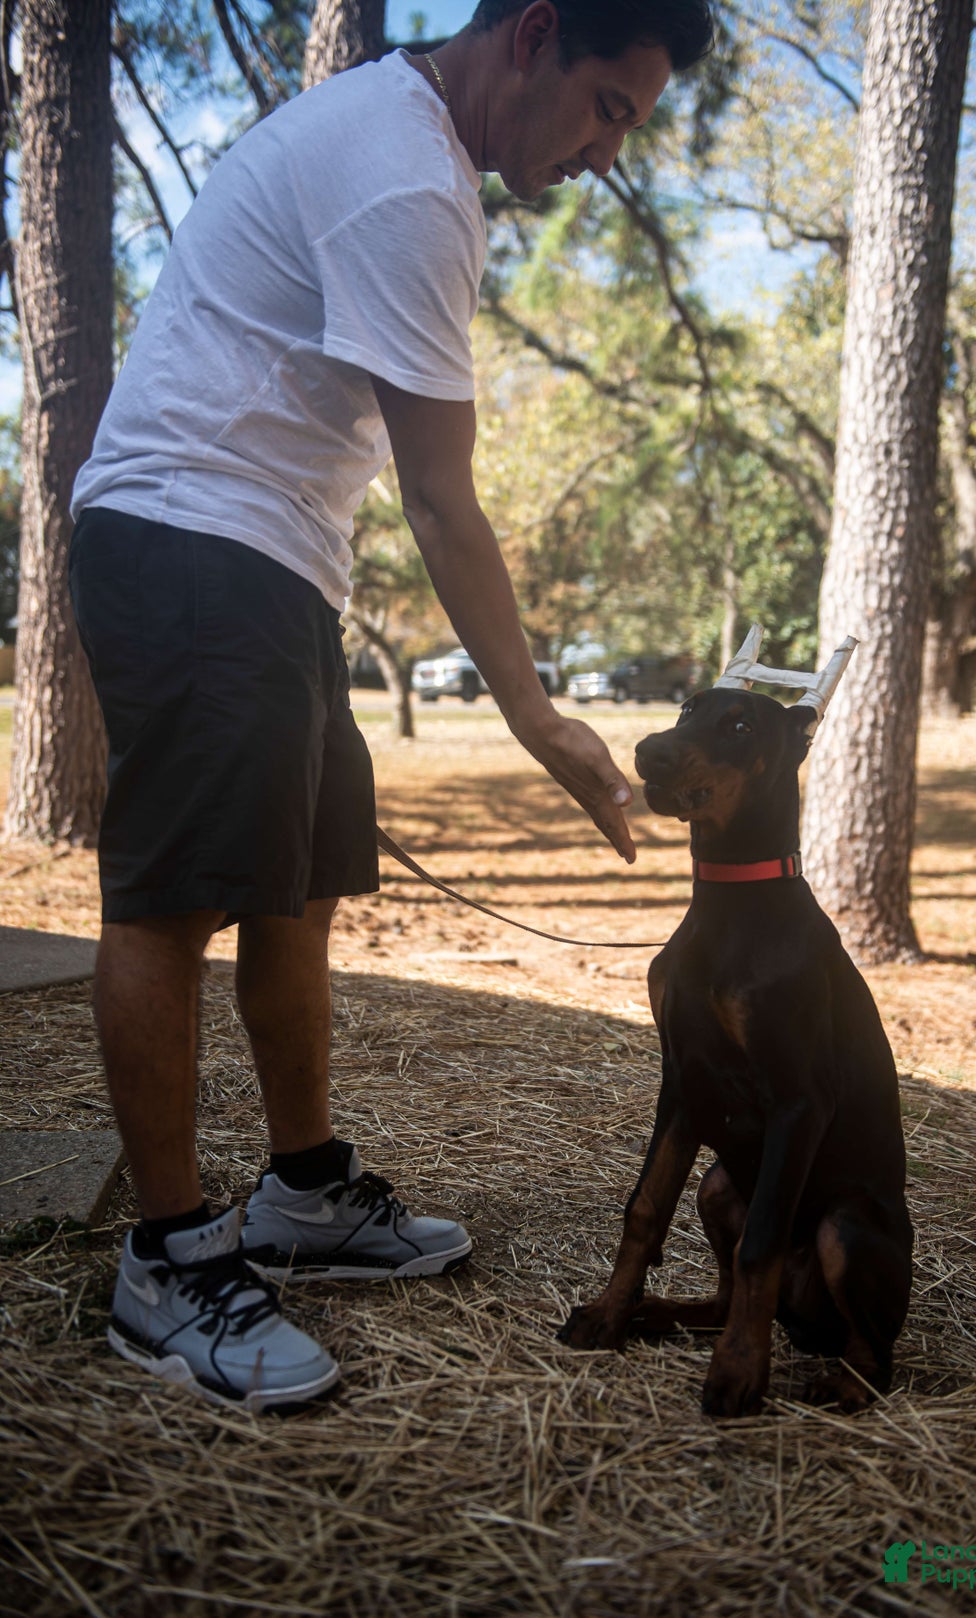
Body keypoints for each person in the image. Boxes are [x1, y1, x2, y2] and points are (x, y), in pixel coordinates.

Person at [69, 0, 715, 1411]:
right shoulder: (409, 172)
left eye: (634, 126)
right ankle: (169, 1262)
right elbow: (442, 498)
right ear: (534, 36)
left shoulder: (412, 147)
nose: (608, 151)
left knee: (300, 888)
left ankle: (301, 1191)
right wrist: (542, 719)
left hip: (276, 558)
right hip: (189, 527)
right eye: (609, 103)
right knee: (171, 898)